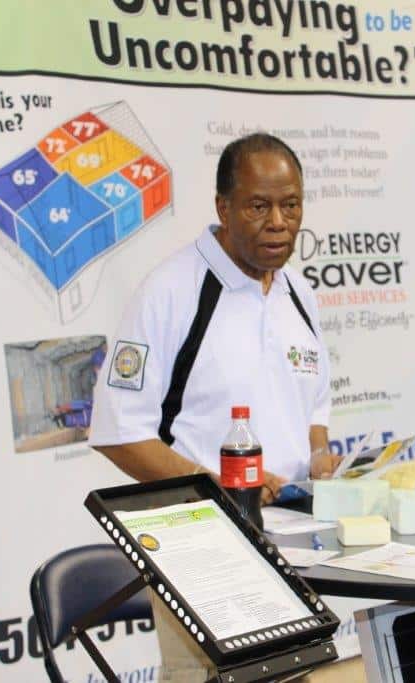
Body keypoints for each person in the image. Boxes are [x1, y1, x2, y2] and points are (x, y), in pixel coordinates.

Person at [89, 133, 341, 682]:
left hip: (297, 545)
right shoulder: (170, 291)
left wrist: (319, 453)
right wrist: (216, 489)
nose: (278, 221)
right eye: (258, 205)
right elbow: (117, 431)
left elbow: (315, 398)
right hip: (199, 549)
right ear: (223, 207)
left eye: (291, 205)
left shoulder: (300, 292)